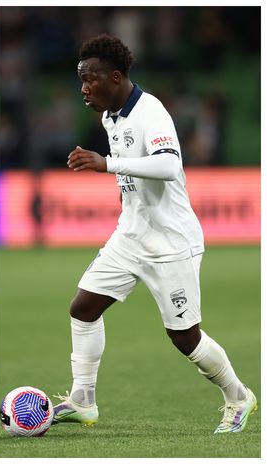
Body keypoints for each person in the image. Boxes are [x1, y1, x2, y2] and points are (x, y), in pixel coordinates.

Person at [58, 34, 256, 433]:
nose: (84, 88)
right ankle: (83, 399)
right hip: (130, 235)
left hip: (171, 242)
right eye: (81, 79)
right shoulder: (109, 116)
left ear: (115, 77)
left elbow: (167, 166)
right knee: (83, 308)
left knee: (184, 337)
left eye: (90, 79)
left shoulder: (152, 112)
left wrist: (106, 164)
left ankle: (239, 396)